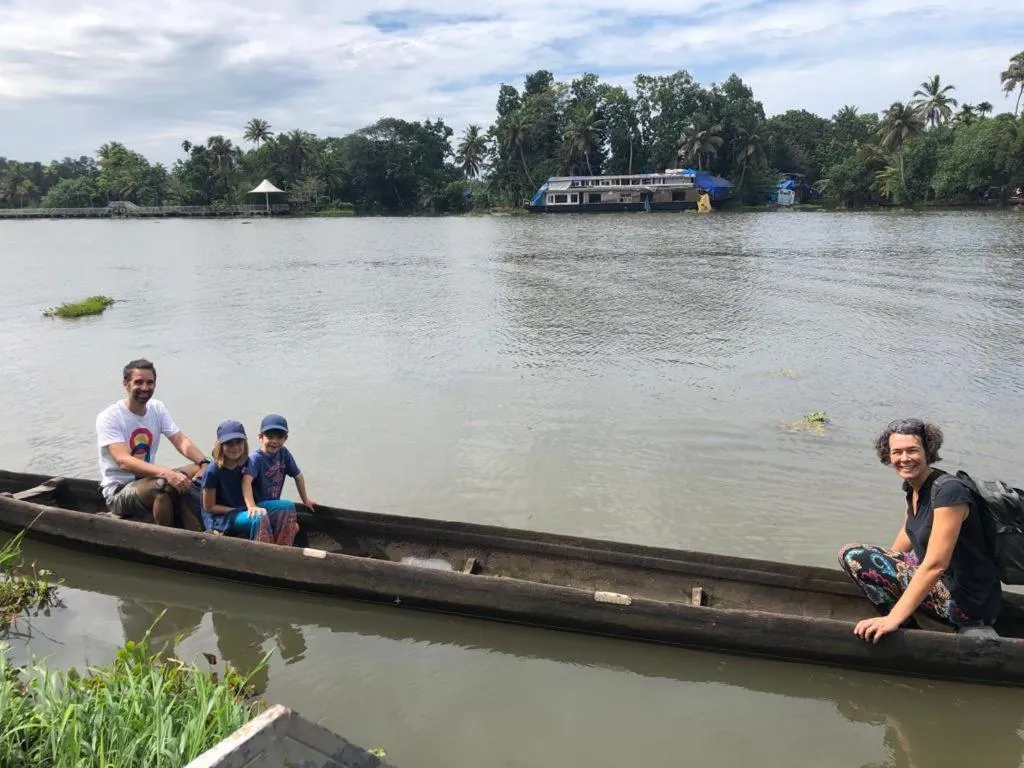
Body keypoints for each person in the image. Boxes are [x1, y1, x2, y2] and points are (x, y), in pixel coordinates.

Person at [839, 419, 1002, 643]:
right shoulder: (914, 487)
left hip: (968, 604)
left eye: (912, 450)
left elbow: (936, 565)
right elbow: (909, 532)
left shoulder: (948, 492)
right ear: (888, 455)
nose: (904, 458)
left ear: (928, 451)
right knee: (872, 559)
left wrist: (892, 617)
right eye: (897, 452)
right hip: (947, 586)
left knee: (852, 555)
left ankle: (905, 629)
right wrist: (885, 573)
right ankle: (905, 618)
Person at [96, 359, 207, 530]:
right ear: (126, 384)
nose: (145, 388)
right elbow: (123, 461)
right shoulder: (110, 417)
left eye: (150, 382)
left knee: (200, 470)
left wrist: (204, 463)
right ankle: (167, 537)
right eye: (138, 382)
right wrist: (167, 474)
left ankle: (198, 528)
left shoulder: (157, 408)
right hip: (119, 492)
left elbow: (180, 440)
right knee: (161, 487)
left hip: (148, 479)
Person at [200, 420, 298, 546]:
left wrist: (251, 507)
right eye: (229, 443)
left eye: (239, 442)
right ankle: (264, 554)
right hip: (224, 517)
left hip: (245, 507)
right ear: (220, 445)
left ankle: (283, 549)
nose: (235, 447)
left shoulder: (246, 462)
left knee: (287, 506)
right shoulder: (213, 471)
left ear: (244, 443)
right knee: (259, 518)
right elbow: (209, 507)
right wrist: (238, 510)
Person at [242, 413, 316, 512]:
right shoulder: (256, 458)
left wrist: (305, 500)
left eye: (279, 437)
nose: (275, 441)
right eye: (270, 437)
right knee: (288, 506)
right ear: (261, 437)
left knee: (295, 526)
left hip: (274, 503)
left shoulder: (283, 453)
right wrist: (251, 506)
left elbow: (298, 476)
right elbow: (246, 481)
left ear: (285, 438)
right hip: (258, 504)